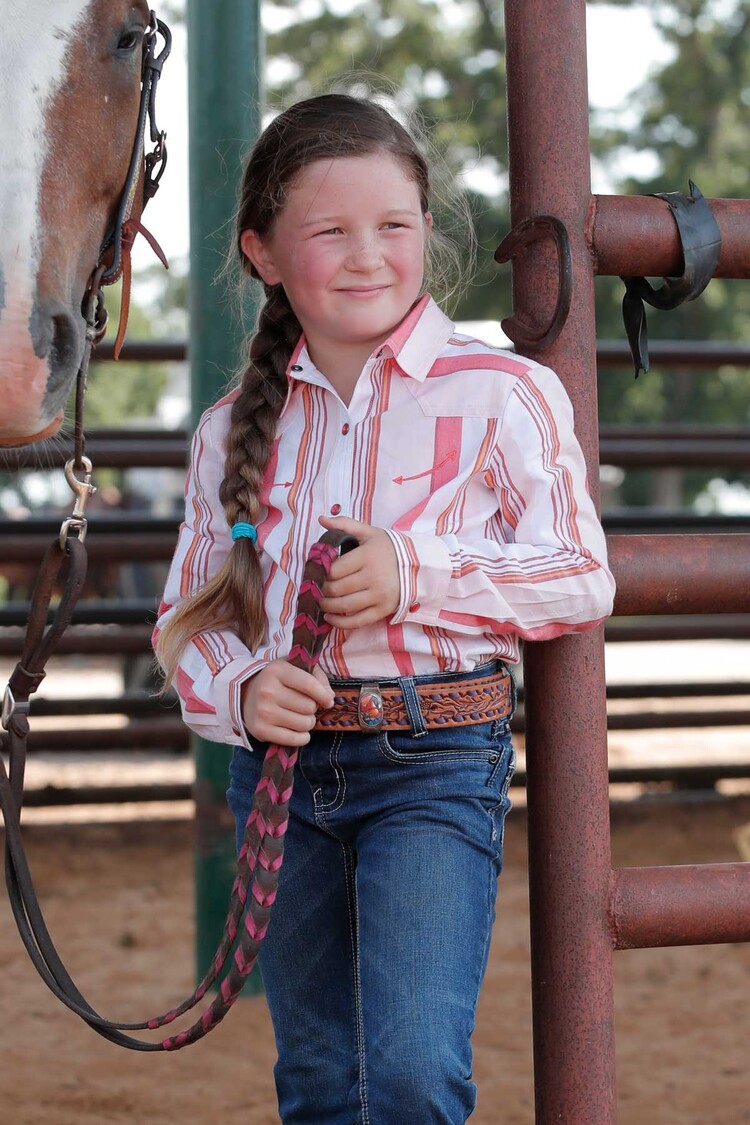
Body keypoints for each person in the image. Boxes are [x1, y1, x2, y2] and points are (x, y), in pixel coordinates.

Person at [154, 92, 615, 1124]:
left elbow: (581, 572)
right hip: (282, 767)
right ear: (265, 253)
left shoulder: (502, 392)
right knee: (319, 1077)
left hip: (433, 764)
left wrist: (421, 572)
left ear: (426, 233)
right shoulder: (233, 428)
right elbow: (193, 613)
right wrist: (240, 690)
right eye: (330, 231)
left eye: (394, 226)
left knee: (411, 1069)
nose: (369, 255)